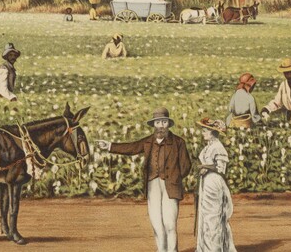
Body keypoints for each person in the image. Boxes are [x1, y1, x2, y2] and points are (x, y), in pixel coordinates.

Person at [96, 108, 191, 252]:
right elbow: (131, 147)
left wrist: (174, 178)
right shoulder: (148, 142)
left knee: (170, 223)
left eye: (164, 122)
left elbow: (186, 165)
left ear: (168, 124)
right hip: (152, 185)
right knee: (157, 223)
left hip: (171, 186)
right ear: (154, 125)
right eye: (158, 122)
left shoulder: (179, 142)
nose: (161, 125)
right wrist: (109, 146)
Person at [193, 118, 235, 252]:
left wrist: (206, 167)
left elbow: (220, 168)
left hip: (214, 183)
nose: (203, 133)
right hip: (206, 182)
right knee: (205, 216)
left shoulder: (218, 147)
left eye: (205, 131)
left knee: (213, 218)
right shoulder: (208, 147)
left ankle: (214, 249)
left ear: (212, 132)